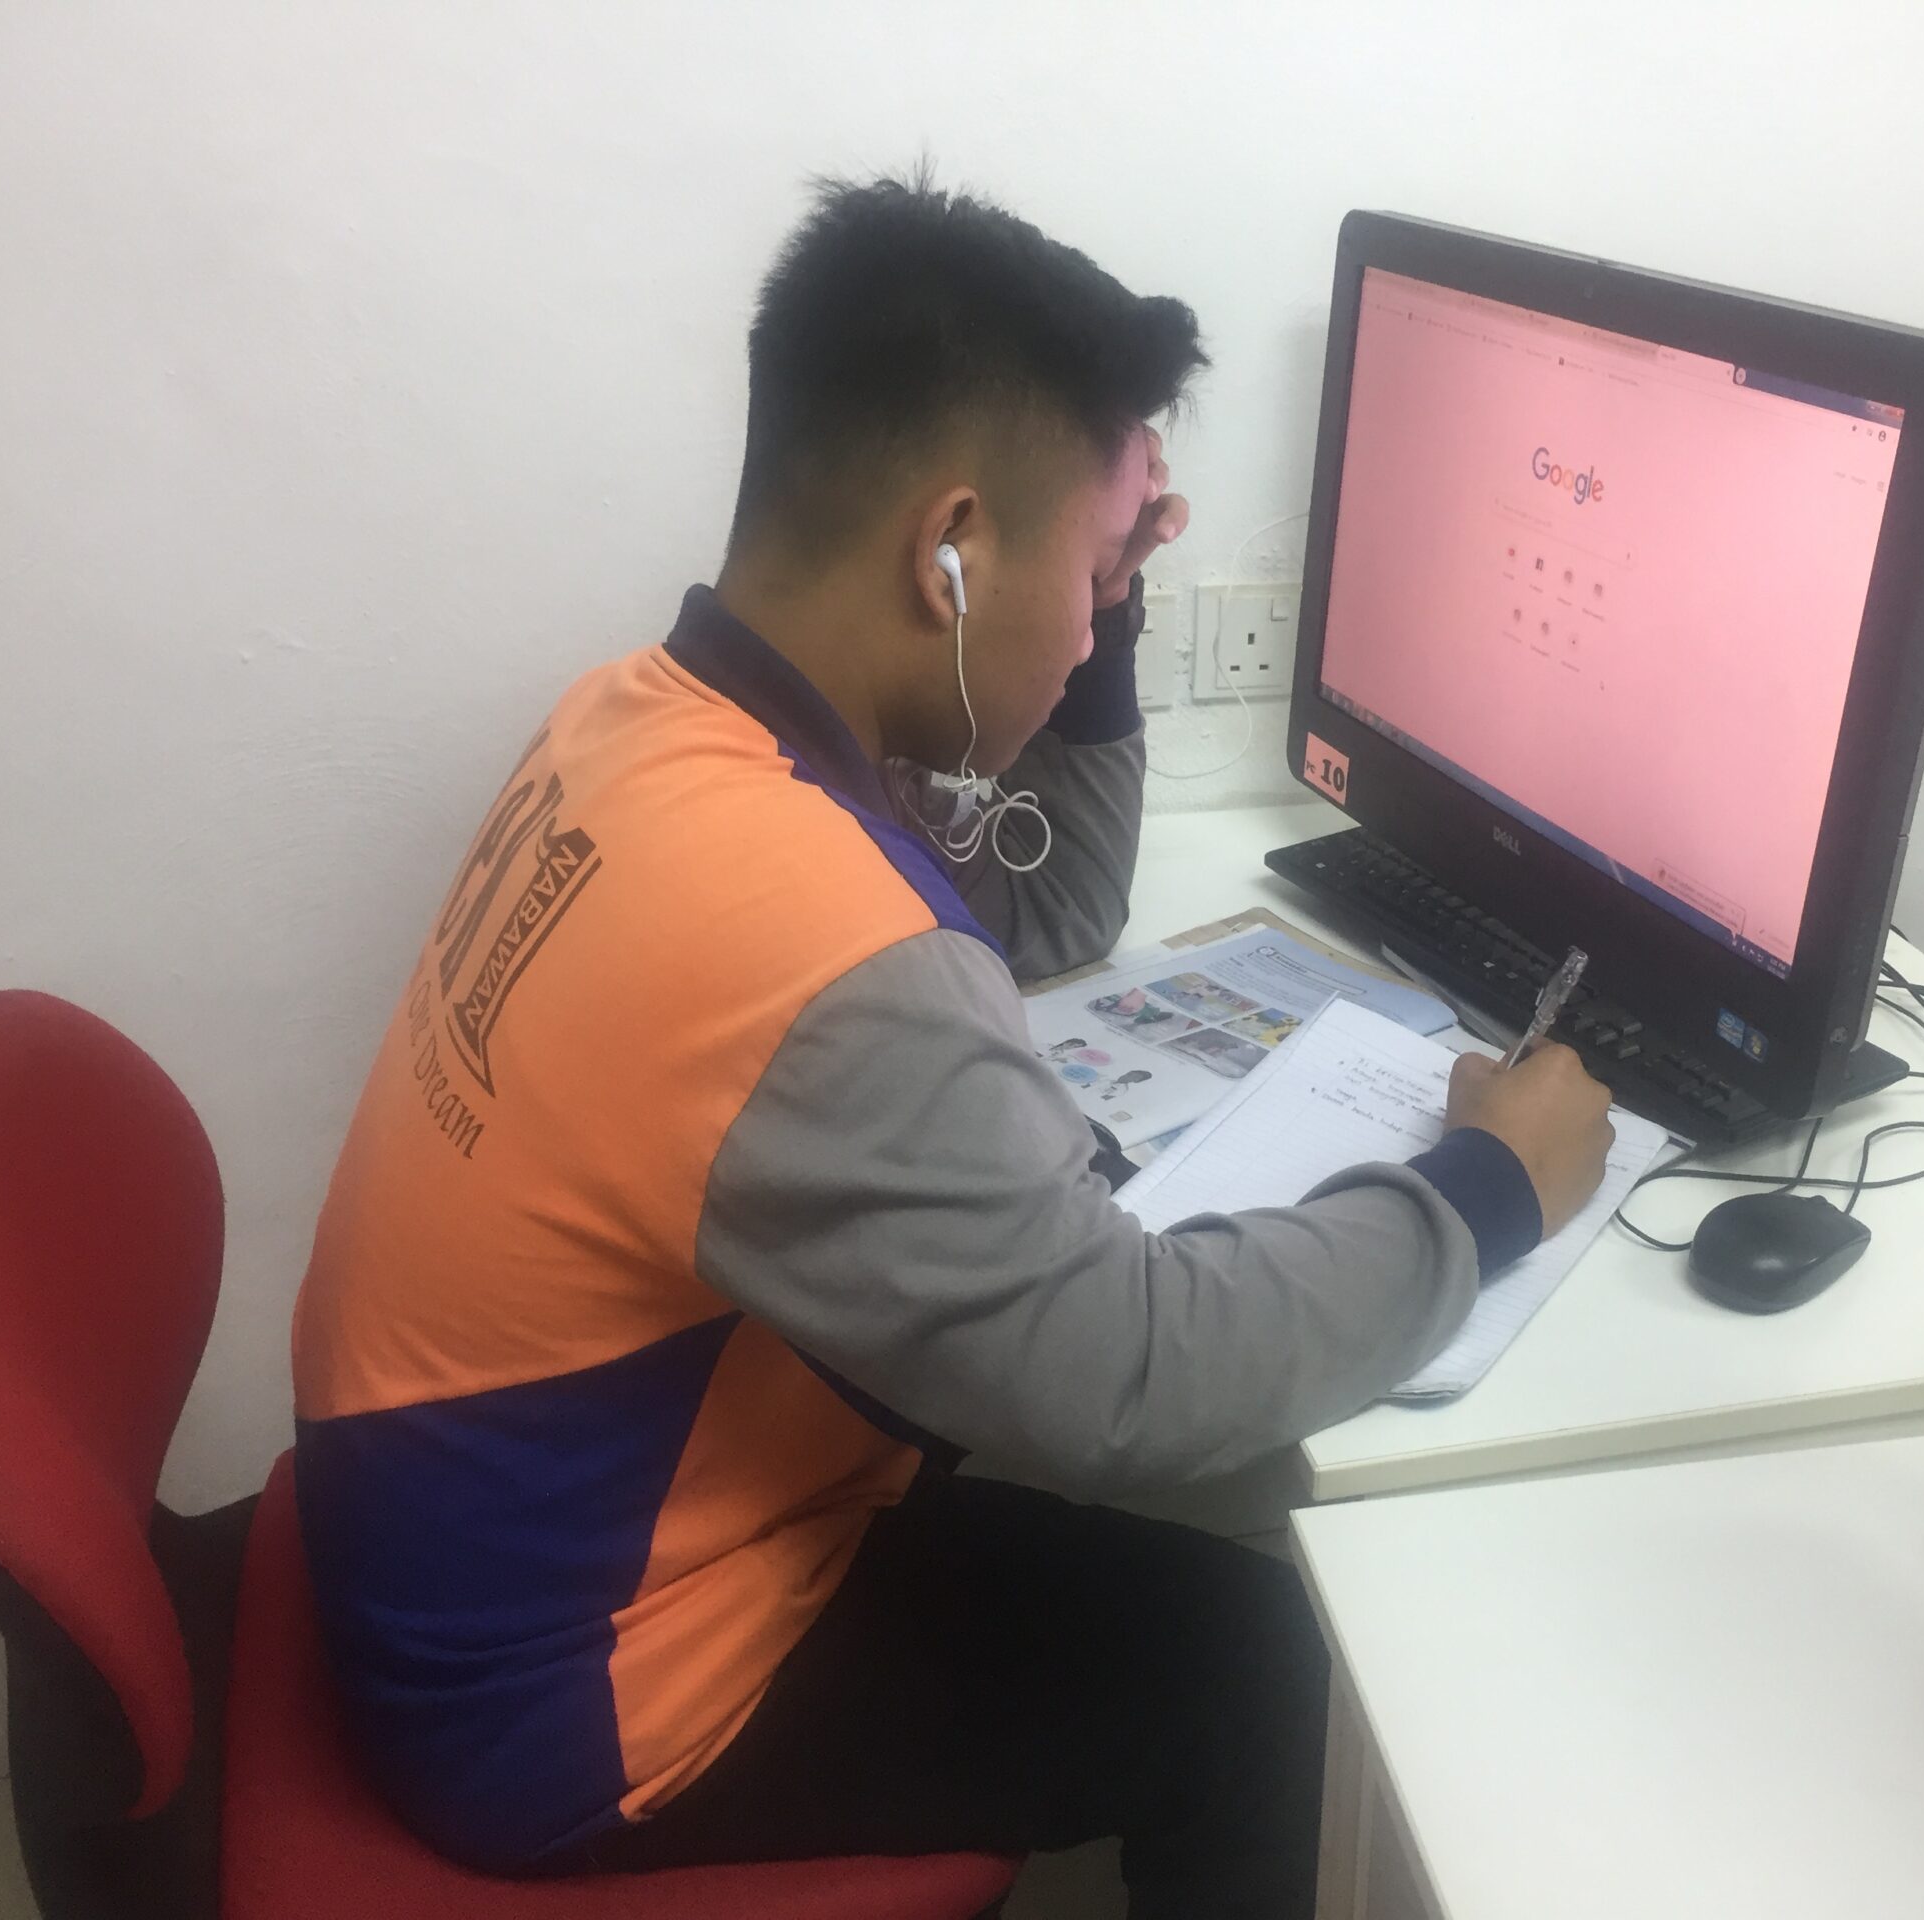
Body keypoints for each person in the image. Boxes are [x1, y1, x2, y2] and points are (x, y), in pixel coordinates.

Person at [289, 170, 1615, 1919]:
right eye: (1090, 568)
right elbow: (1139, 1383)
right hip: (559, 1695)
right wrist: (1492, 1184)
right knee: (1261, 1678)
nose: (1096, 613)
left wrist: (1099, 617)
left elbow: (1041, 915)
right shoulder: (808, 942)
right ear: (955, 552)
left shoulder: (645, 725)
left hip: (452, 1549)